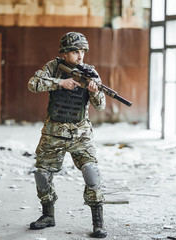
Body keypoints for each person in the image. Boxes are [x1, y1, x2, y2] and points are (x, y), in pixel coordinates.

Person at [27, 32, 107, 238]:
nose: (80, 56)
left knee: (91, 172)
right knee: (42, 175)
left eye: (82, 52)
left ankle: (98, 222)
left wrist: (95, 91)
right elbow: (33, 84)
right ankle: (48, 216)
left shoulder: (90, 72)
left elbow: (101, 106)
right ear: (64, 53)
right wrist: (59, 83)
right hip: (53, 132)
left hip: (80, 133)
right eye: (75, 52)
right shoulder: (53, 67)